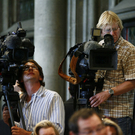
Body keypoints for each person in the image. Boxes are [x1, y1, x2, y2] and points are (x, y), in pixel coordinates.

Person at [89, 10, 135, 135]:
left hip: (120, 114)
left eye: (116, 29)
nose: (113, 33)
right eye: (108, 30)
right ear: (101, 31)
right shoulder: (96, 47)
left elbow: (132, 82)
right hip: (98, 111)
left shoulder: (129, 50)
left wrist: (108, 92)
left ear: (120, 28)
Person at [3, 59, 65, 135]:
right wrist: (9, 121)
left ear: (40, 77)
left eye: (34, 67)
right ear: (21, 79)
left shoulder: (52, 97)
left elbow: (58, 130)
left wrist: (28, 134)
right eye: (26, 68)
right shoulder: (21, 101)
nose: (30, 68)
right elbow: (24, 128)